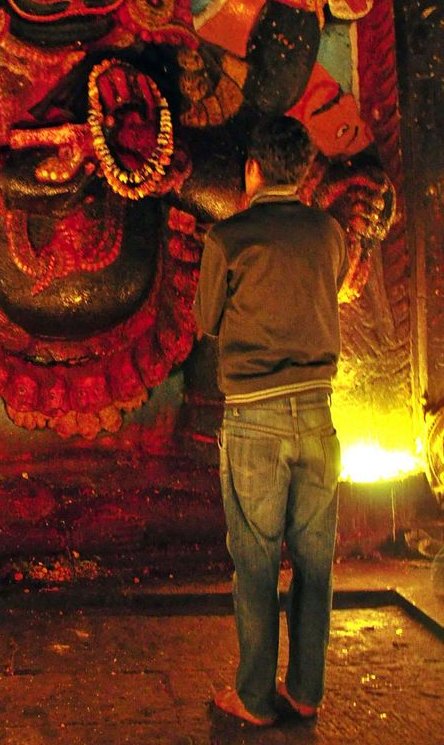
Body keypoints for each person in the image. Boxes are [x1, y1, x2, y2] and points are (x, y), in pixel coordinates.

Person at [194, 114, 349, 727]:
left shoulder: (229, 238)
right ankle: (306, 689)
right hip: (318, 414)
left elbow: (207, 322)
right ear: (304, 173)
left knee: (255, 560)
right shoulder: (329, 232)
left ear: (252, 170)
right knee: (316, 560)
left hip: (254, 419)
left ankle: (254, 698)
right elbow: (327, 291)